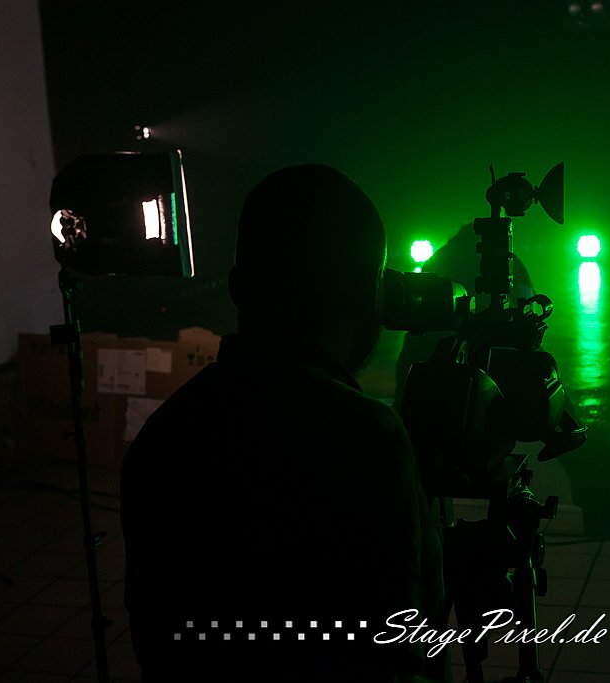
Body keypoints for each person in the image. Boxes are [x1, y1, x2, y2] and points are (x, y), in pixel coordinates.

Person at [121, 165, 447, 682]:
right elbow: (404, 653)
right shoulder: (367, 438)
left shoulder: (162, 435)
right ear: (370, 294)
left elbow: (157, 641)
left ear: (236, 287)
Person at [395, 224, 610, 535]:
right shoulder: (510, 264)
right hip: (510, 364)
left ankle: (412, 518)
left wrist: (404, 399)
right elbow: (525, 321)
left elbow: (417, 339)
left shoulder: (442, 261)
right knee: (565, 426)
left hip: (451, 366)